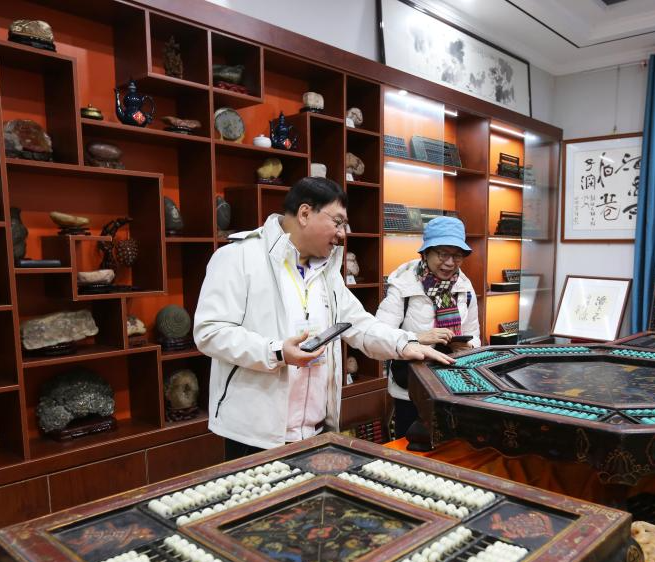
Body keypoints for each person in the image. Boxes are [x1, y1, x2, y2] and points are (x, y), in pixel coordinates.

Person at [193, 177, 453, 457]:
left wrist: (404, 344)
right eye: (338, 222)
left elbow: (360, 324)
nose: (342, 234)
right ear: (305, 213)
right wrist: (277, 352)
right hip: (255, 434)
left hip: (315, 430)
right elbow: (210, 332)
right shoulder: (239, 257)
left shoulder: (326, 272)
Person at [376, 216, 480, 438]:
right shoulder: (403, 285)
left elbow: (474, 333)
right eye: (443, 254)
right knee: (409, 449)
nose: (450, 263)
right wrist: (420, 337)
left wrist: (468, 347)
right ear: (426, 252)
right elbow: (379, 336)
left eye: (457, 255)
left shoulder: (464, 287)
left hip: (454, 386)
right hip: (411, 389)